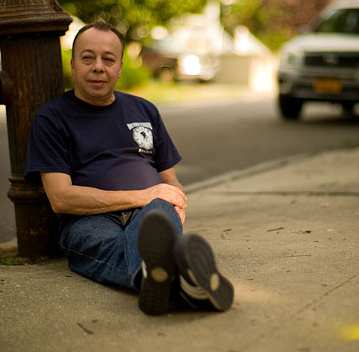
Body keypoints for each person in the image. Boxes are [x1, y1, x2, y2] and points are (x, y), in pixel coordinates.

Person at [24, 21, 233, 315]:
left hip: (152, 216)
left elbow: (170, 182)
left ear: (120, 67)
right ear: (72, 65)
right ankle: (183, 281)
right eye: (88, 58)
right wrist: (143, 196)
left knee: (157, 220)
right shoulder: (52, 118)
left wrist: (177, 203)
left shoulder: (144, 110)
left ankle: (158, 278)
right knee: (112, 243)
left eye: (108, 59)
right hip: (88, 221)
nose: (99, 67)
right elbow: (61, 199)